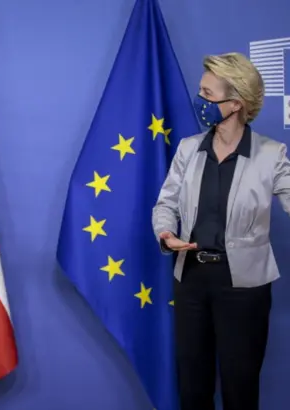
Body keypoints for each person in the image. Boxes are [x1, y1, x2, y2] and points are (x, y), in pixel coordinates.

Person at [152, 52, 290, 410]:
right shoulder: (187, 149)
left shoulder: (271, 155)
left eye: (208, 94)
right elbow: (164, 205)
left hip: (244, 287)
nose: (200, 102)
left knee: (240, 388)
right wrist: (166, 235)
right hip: (191, 280)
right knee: (193, 388)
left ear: (236, 103)